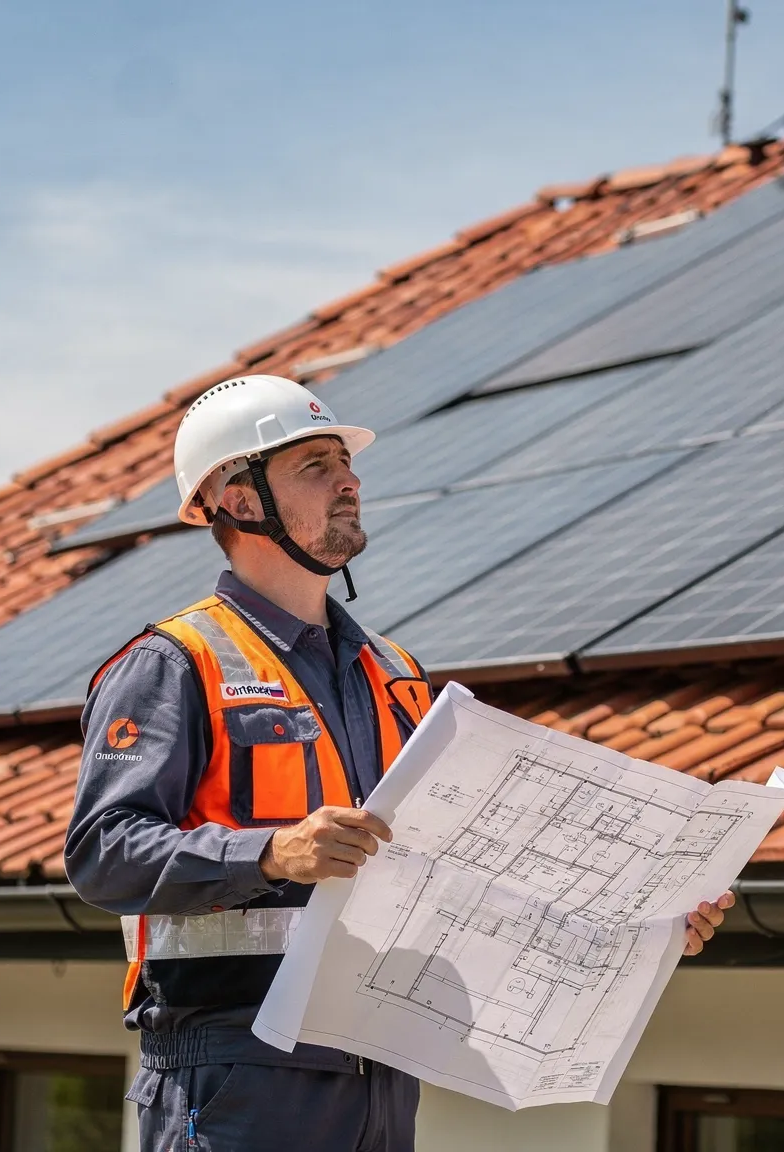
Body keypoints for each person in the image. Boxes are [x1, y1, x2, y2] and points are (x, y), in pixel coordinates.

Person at [65, 375, 733, 1151]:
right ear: (238, 499)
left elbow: (475, 863)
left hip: (380, 1071)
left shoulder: (397, 675)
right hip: (234, 1073)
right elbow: (102, 854)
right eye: (314, 465)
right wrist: (272, 851)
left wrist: (638, 924)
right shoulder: (174, 664)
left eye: (345, 462)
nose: (350, 480)